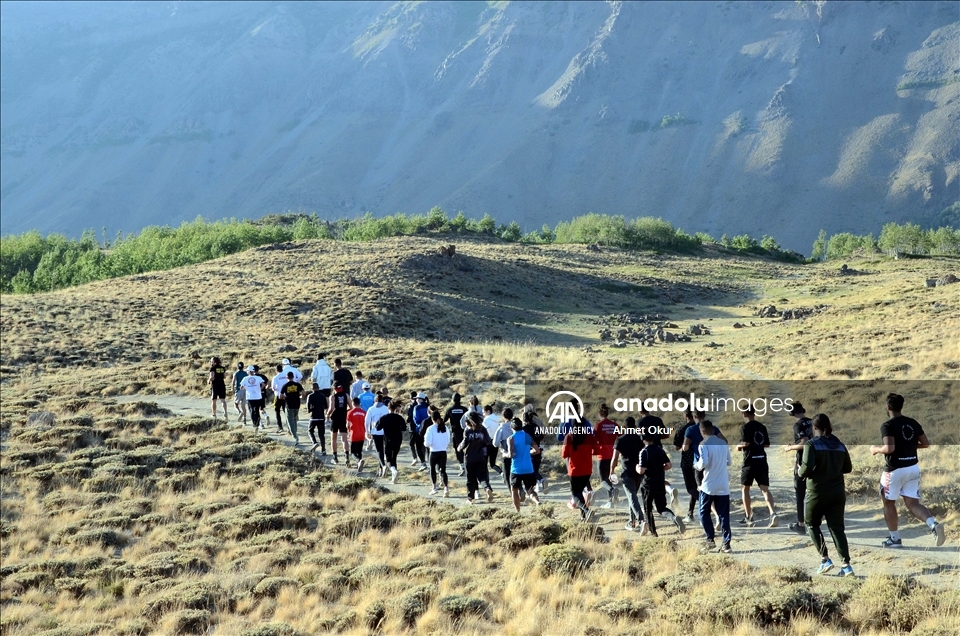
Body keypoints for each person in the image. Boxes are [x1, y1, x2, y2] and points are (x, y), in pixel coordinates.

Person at [870, 393, 945, 548]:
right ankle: (933, 524)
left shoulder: (887, 425)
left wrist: (876, 449)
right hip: (912, 467)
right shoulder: (912, 423)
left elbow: (889, 448)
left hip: (895, 470)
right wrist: (908, 446)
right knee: (912, 503)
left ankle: (895, 539)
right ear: (901, 406)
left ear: (888, 407)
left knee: (888, 502)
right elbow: (925, 444)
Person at [798, 414, 855, 576]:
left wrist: (799, 470)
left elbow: (806, 467)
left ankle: (825, 560)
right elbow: (848, 468)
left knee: (811, 524)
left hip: (816, 491)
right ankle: (846, 566)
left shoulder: (811, 444)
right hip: (837, 492)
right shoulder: (840, 444)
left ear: (814, 428)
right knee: (837, 529)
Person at [683, 410, 726, 531]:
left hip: (699, 464)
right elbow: (725, 441)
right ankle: (693, 513)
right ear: (704, 415)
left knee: (703, 491)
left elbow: (685, 448)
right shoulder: (713, 429)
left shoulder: (690, 430)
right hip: (713, 463)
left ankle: (715, 516)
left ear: (694, 416)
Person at [694, 417, 732, 553]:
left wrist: (696, 466)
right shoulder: (723, 443)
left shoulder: (703, 444)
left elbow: (703, 463)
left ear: (702, 431)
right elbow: (729, 462)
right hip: (723, 483)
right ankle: (726, 543)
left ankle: (710, 539)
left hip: (709, 484)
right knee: (724, 515)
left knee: (703, 512)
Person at [737, 406, 778, 528]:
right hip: (762, 460)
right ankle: (772, 513)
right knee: (765, 489)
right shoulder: (762, 427)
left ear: (744, 413)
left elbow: (746, 443)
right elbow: (767, 444)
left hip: (750, 461)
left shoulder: (745, 427)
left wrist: (738, 446)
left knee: (745, 489)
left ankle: (748, 516)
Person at [638, 432, 685, 536]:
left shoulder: (644, 452)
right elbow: (669, 465)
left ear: (643, 439)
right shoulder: (660, 450)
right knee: (662, 508)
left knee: (648, 510)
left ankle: (654, 534)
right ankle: (673, 518)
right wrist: (659, 469)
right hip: (660, 483)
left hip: (648, 485)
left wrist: (637, 468)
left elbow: (641, 470)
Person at [782, 402, 814, 535]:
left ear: (791, 413)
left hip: (803, 461)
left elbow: (804, 442)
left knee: (800, 493)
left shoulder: (798, 425)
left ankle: (801, 524)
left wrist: (790, 447)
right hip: (816, 459)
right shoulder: (813, 421)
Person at [611, 416, 645, 532]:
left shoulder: (620, 439)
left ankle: (641, 520)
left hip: (627, 473)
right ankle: (632, 521)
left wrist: (611, 471)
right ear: (635, 427)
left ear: (624, 427)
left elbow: (615, 458)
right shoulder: (640, 439)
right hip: (639, 473)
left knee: (632, 497)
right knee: (633, 497)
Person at [562, 425, 596, 521]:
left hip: (574, 470)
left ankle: (586, 510)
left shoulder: (569, 436)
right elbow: (597, 450)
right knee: (580, 493)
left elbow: (564, 454)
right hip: (587, 469)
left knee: (575, 494)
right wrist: (587, 452)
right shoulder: (589, 436)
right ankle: (584, 516)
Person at [506, 417, 541, 512]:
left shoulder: (511, 438)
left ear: (511, 427)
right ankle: (537, 502)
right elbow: (537, 450)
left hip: (516, 469)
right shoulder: (527, 436)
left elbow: (511, 454)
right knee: (530, 490)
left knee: (514, 490)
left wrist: (503, 453)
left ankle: (518, 511)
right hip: (528, 468)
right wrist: (528, 452)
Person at [459, 412, 495, 503]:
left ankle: (470, 498)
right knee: (482, 477)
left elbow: (464, 443)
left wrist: (459, 448)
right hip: (481, 457)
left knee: (470, 479)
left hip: (469, 458)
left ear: (467, 422)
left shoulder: (467, 431)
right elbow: (488, 441)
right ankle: (487, 489)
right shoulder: (482, 429)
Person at [673, 410, 699, 521]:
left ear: (686, 416)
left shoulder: (682, 429)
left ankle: (706, 503)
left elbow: (677, 447)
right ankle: (690, 512)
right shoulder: (702, 428)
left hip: (687, 461)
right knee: (697, 486)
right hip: (701, 459)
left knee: (690, 488)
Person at [594, 404, 619, 508]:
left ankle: (612, 491)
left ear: (599, 414)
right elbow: (621, 437)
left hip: (602, 455)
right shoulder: (615, 425)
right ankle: (611, 502)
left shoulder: (598, 426)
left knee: (603, 480)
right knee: (610, 478)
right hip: (613, 455)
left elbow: (594, 440)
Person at [375, 399, 407, 483]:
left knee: (388, 460)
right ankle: (394, 479)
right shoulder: (399, 418)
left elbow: (377, 428)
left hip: (388, 441)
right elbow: (404, 428)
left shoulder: (384, 418)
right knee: (394, 458)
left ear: (388, 408)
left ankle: (394, 471)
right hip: (398, 440)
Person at [424, 411, 450, 496]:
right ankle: (446, 488)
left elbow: (427, 442)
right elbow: (448, 440)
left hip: (433, 451)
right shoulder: (445, 427)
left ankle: (434, 487)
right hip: (443, 451)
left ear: (432, 419)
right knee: (443, 470)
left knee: (432, 469)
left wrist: (426, 444)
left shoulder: (430, 428)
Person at [522, 405, 548, 493]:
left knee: (531, 470)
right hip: (539, 448)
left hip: (530, 451)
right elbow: (542, 435)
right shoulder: (537, 425)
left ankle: (540, 481)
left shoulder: (524, 429)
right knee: (535, 469)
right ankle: (538, 485)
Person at [444, 394, 469, 476]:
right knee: (468, 448)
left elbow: (444, 420)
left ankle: (462, 466)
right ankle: (468, 465)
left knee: (458, 449)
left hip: (455, 433)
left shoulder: (450, 410)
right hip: (465, 431)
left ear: (452, 400)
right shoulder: (464, 409)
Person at [365, 393, 390, 476]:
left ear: (375, 400)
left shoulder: (371, 409)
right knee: (385, 450)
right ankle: (381, 468)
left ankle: (382, 466)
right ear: (382, 400)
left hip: (376, 432)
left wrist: (367, 431)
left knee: (379, 450)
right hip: (386, 431)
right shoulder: (386, 408)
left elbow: (367, 422)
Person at [326, 382, 350, 464]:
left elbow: (331, 407)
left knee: (333, 439)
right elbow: (351, 407)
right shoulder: (346, 395)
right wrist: (344, 411)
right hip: (343, 418)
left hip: (335, 419)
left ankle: (335, 457)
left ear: (334, 388)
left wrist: (328, 414)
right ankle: (347, 457)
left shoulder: (332, 396)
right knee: (344, 439)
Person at [280, 372, 305, 445]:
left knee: (290, 421)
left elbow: (280, 396)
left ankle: (295, 436)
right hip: (297, 404)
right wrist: (300, 397)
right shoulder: (298, 384)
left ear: (287, 377)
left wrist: (286, 397)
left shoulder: (285, 385)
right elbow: (304, 393)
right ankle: (295, 432)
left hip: (289, 404)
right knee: (294, 419)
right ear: (293, 377)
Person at [239, 366, 265, 431]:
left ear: (249, 371)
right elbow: (263, 384)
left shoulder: (245, 378)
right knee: (257, 410)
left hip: (250, 397)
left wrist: (247, 388)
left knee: (252, 411)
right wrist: (259, 389)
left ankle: (255, 424)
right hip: (258, 397)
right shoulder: (258, 378)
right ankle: (258, 424)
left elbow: (241, 387)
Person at [410, 393, 430, 471]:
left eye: (417, 398)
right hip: (429, 429)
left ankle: (423, 463)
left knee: (418, 447)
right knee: (428, 448)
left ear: (421, 399)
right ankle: (431, 464)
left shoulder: (416, 407)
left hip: (419, 430)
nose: (416, 399)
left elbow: (416, 420)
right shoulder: (428, 406)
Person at [306, 382, 328, 454]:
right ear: (318, 388)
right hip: (321, 417)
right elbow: (326, 407)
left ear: (312, 388)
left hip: (313, 417)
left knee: (310, 431)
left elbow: (308, 409)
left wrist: (311, 409)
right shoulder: (323, 396)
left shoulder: (310, 396)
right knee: (321, 434)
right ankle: (323, 450)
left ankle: (314, 442)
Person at [481, 404, 503, 476]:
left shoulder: (486, 421)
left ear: (488, 411)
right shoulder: (497, 420)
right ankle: (502, 473)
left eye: (484, 412)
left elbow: (484, 432)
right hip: (495, 442)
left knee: (484, 463)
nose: (483, 414)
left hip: (487, 443)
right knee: (492, 464)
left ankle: (484, 479)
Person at [347, 397, 367, 472]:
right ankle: (360, 464)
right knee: (359, 451)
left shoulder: (350, 412)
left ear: (353, 403)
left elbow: (348, 425)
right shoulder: (364, 412)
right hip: (362, 434)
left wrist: (347, 430)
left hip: (354, 434)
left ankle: (359, 461)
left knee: (353, 452)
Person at [493, 413, 513, 488]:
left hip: (506, 453)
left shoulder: (501, 428)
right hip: (517, 454)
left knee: (507, 476)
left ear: (503, 416)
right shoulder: (516, 426)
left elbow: (495, 443)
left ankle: (513, 495)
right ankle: (520, 490)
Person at [209, 357, 228, 421]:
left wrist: (208, 380)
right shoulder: (222, 368)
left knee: (214, 400)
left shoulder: (213, 368)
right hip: (222, 385)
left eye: (211, 361)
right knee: (223, 400)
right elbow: (224, 376)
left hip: (215, 385)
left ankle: (214, 414)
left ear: (214, 361)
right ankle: (225, 413)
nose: (210, 362)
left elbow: (212, 377)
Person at [271, 364, 288, 433]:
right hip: (286, 396)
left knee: (277, 411)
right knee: (286, 412)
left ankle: (280, 427)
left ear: (276, 370)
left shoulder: (275, 377)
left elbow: (273, 388)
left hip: (278, 396)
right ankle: (289, 427)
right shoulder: (286, 376)